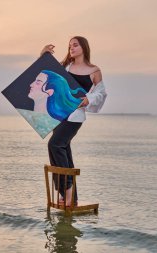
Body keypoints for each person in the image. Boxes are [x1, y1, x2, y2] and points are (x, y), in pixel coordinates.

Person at [40, 36, 107, 207]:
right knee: (64, 150)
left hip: (75, 117)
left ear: (84, 47)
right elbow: (46, 73)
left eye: (75, 45)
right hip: (60, 114)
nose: (72, 48)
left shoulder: (94, 70)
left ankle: (67, 192)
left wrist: (88, 99)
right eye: (70, 45)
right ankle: (70, 195)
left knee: (55, 144)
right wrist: (43, 55)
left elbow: (101, 93)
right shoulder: (66, 67)